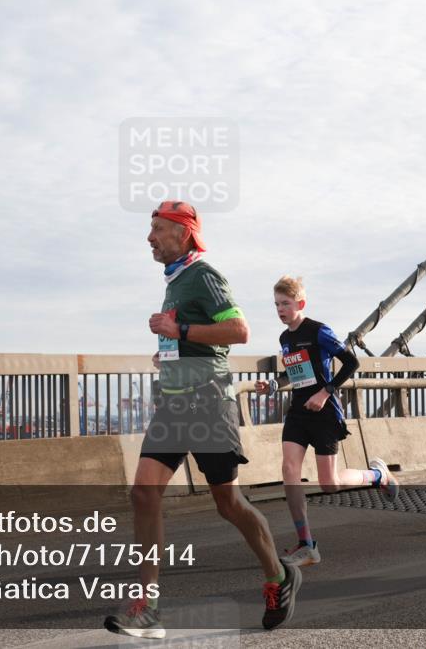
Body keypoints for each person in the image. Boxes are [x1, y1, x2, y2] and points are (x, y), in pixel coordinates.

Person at [104, 201, 301, 639]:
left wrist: (181, 334)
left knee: (228, 503)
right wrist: (171, 354)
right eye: (150, 228)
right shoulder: (175, 280)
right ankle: (147, 607)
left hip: (208, 403)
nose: (149, 237)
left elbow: (239, 331)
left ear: (183, 234)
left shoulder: (204, 275)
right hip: (174, 402)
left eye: (157, 229)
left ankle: (279, 576)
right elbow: (195, 340)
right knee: (143, 493)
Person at [255, 276, 399, 568]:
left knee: (329, 483)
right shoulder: (285, 339)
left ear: (300, 304)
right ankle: (306, 544)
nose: (280, 309)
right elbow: (296, 375)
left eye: (285, 304)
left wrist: (324, 392)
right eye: (276, 304)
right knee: (289, 469)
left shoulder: (319, 331)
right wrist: (273, 384)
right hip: (298, 410)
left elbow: (351, 363)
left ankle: (377, 476)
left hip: (324, 411)